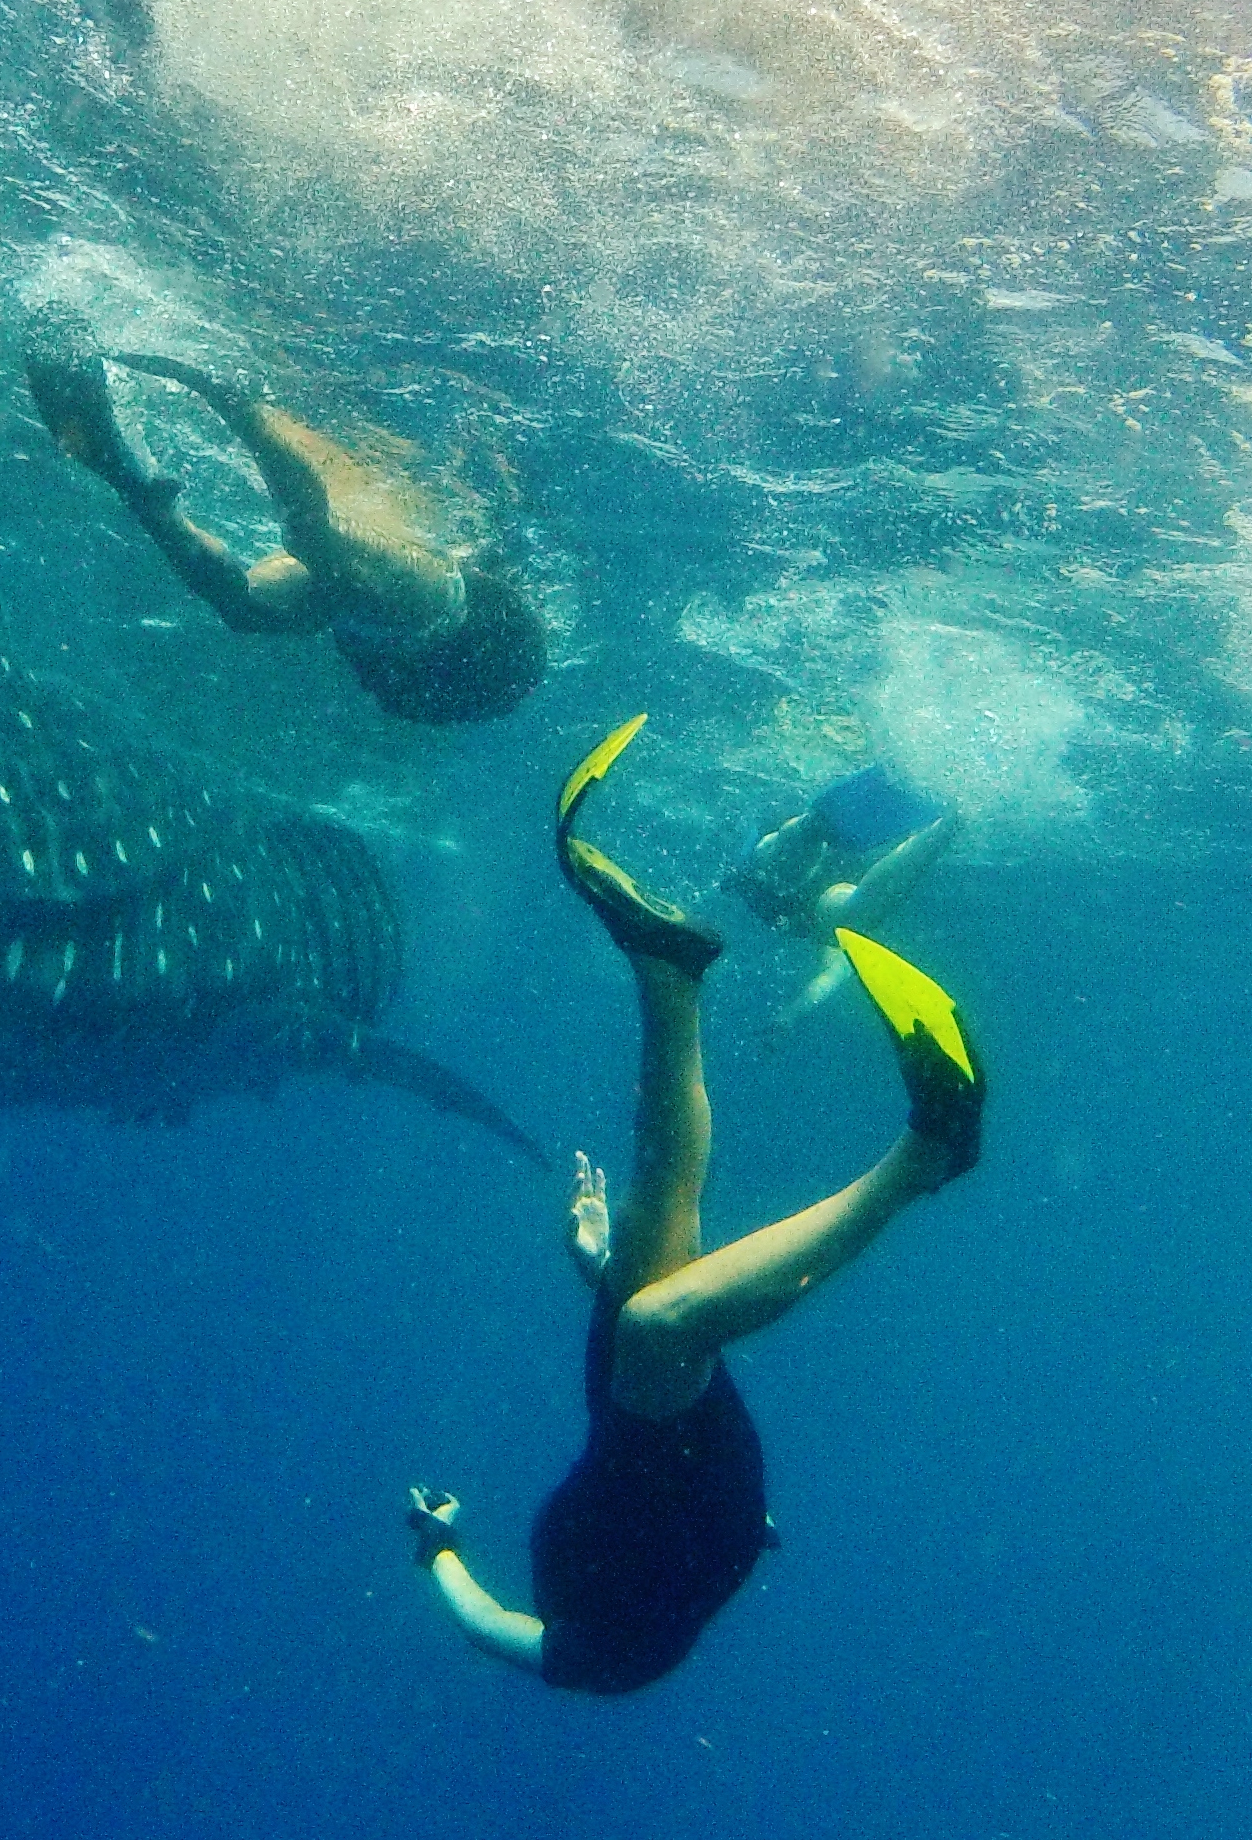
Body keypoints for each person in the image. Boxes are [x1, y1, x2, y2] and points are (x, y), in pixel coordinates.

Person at [404, 716, 986, 1694]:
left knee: (644, 1239)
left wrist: (439, 1545)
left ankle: (667, 975)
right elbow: (490, 1626)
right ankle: (924, 1156)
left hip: (630, 1419)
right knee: (654, 1323)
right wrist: (444, 1556)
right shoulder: (612, 1660)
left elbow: (484, 1622)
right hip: (704, 1486)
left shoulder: (575, 1634)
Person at [22, 315, 547, 725]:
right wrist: (224, 397)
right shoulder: (440, 595)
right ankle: (189, 435)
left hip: (421, 636)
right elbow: (315, 531)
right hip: (441, 616)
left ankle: (134, 482)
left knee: (246, 608)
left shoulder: (429, 637)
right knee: (306, 547)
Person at [727, 763, 959, 1032]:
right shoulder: (832, 939)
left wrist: (789, 1016)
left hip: (791, 893)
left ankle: (946, 825)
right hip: (794, 899)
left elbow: (828, 977)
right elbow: (828, 977)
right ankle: (947, 827)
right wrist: (789, 1017)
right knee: (848, 923)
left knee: (839, 916)